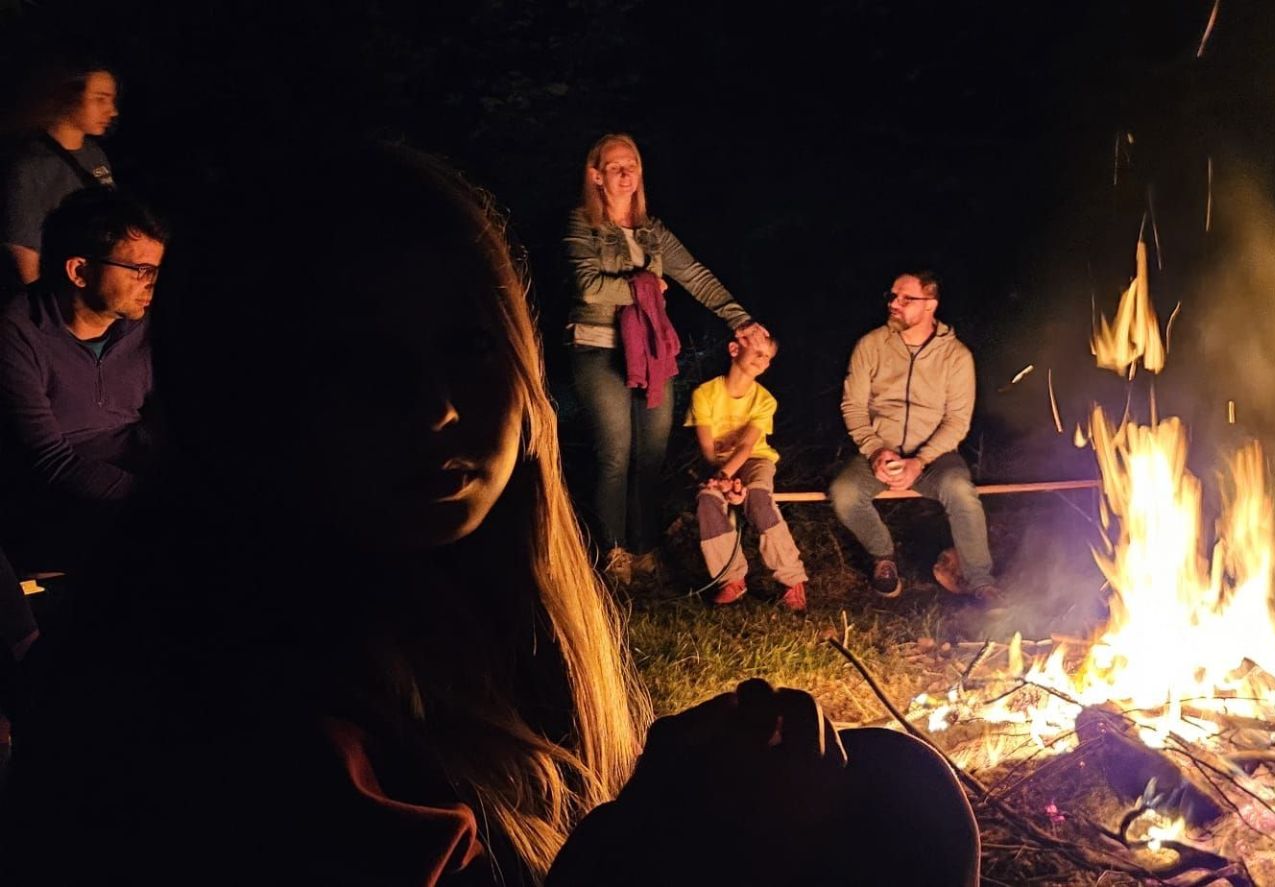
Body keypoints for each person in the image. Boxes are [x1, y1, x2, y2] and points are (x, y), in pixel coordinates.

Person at [0, 143, 976, 886]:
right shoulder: (236, 720)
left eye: (467, 344)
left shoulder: (460, 606)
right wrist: (671, 827)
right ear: (242, 385)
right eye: (355, 360)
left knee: (904, 796)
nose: (435, 406)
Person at [564, 133, 769, 587]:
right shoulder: (583, 224)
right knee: (616, 455)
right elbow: (589, 288)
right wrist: (644, 288)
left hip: (651, 353)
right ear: (596, 176)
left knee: (651, 456)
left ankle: (645, 550)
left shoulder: (652, 231)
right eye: (615, 167)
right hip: (598, 347)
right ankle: (613, 553)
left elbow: (694, 274)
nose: (626, 174)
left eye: (632, 165)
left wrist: (740, 319)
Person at [0, 188, 160, 573]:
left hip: (134, 480)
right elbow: (49, 460)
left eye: (156, 270)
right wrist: (153, 500)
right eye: (141, 270)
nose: (151, 283)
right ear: (79, 271)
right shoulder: (18, 333)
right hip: (59, 503)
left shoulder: (141, 324)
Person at [830, 271, 999, 602]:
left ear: (930, 305)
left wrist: (919, 461)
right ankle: (883, 557)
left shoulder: (956, 357)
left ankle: (981, 581)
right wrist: (875, 451)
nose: (894, 303)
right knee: (844, 493)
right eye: (892, 296)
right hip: (879, 453)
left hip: (935, 458)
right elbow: (853, 406)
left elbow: (957, 421)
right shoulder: (871, 345)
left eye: (906, 298)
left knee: (960, 490)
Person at [685, 334, 808, 611]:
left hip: (755, 459)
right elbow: (707, 447)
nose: (763, 361)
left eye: (768, 358)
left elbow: (746, 446)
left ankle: (792, 580)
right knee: (707, 499)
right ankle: (731, 579)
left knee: (758, 496)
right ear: (733, 349)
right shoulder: (705, 394)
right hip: (718, 463)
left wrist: (727, 477)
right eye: (758, 352)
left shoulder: (765, 400)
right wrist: (721, 478)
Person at [3, 59, 118, 287]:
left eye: (111, 100)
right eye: (100, 99)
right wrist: (44, 305)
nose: (113, 111)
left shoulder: (94, 155)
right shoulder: (31, 167)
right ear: (68, 96)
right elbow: (24, 252)